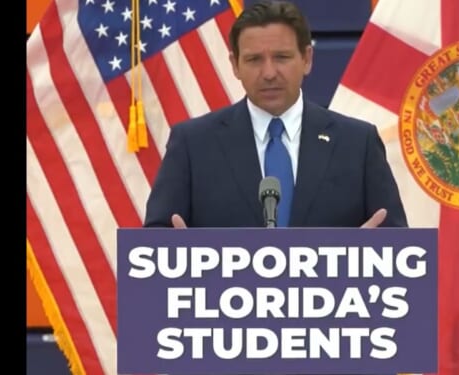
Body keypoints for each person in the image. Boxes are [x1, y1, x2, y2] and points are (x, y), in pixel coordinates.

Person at [143, 0, 407, 229]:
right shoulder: (193, 145)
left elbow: (398, 251)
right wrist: (174, 252)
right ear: (235, 65)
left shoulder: (357, 143)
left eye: (281, 57)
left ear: (307, 59)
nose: (269, 73)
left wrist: (370, 254)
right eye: (254, 60)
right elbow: (153, 249)